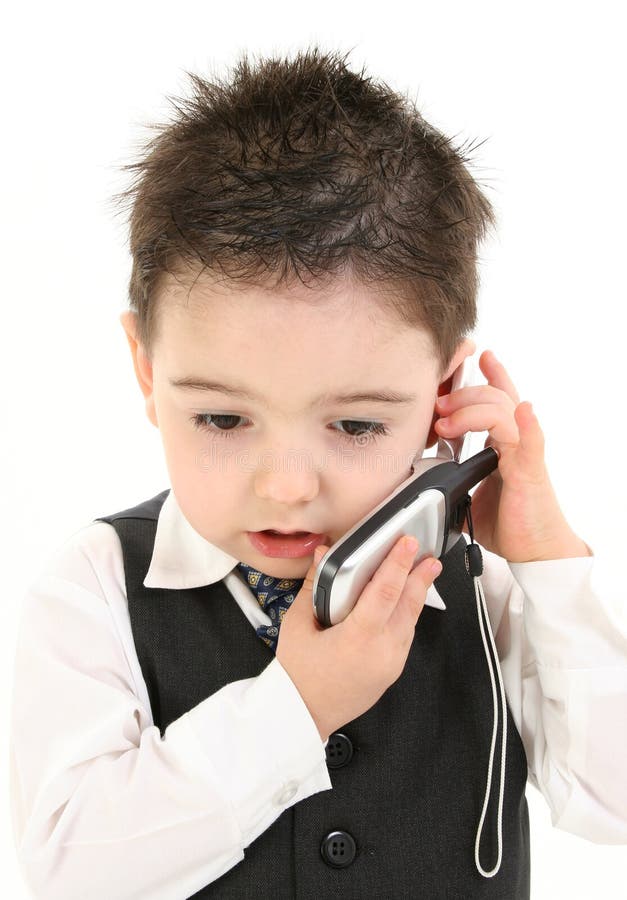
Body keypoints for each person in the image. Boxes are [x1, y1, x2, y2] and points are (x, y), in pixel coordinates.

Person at [9, 46, 627, 899]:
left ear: (443, 396)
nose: (288, 486)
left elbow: (611, 801)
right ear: (147, 370)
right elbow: (72, 870)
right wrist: (294, 707)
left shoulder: (486, 588)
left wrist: (548, 561)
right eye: (222, 418)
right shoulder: (96, 587)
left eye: (356, 425)